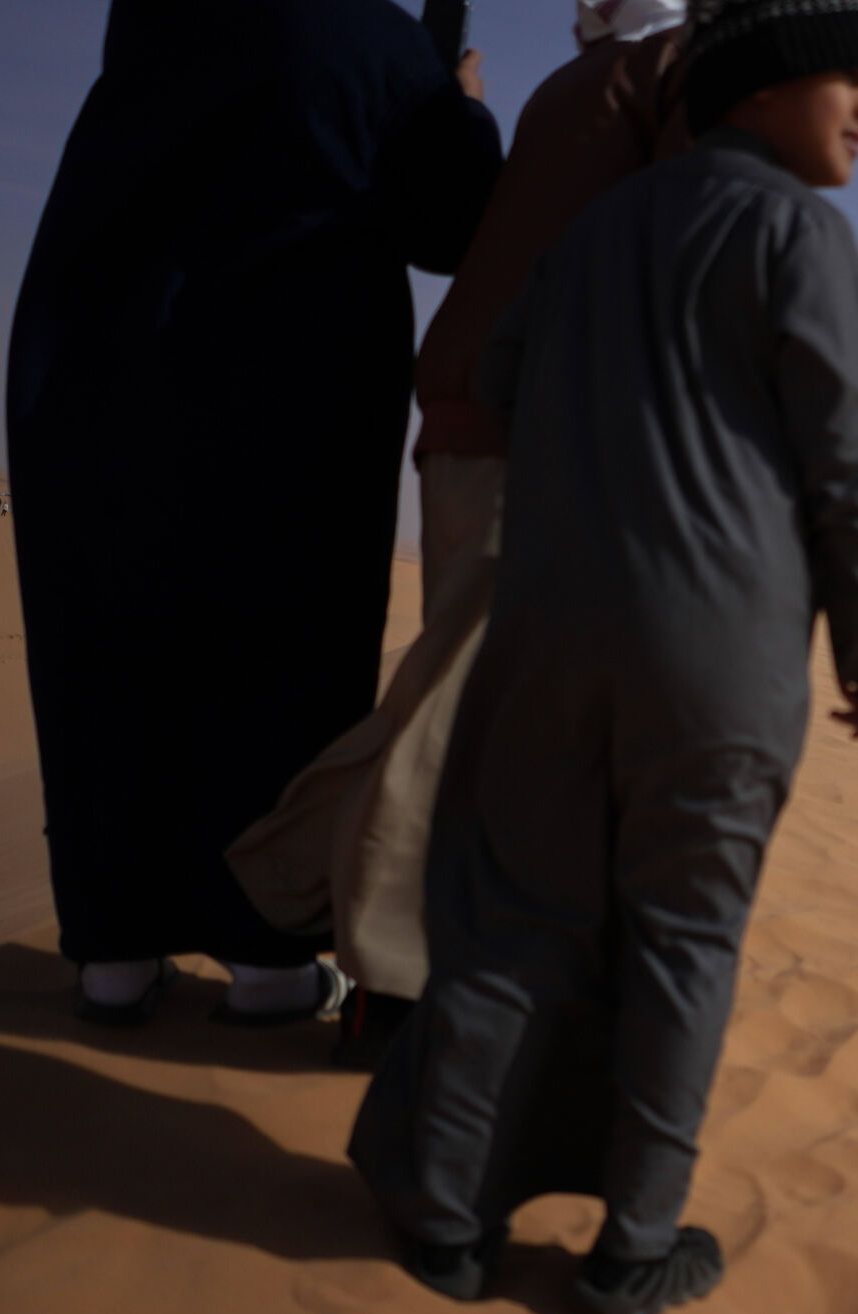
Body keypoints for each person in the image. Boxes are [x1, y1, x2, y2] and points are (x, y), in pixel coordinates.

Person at [348, 0, 858, 1314]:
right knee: (686, 941)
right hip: (719, 658)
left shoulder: (595, 229)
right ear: (755, 90)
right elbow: (849, 454)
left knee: (508, 920)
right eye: (851, 76)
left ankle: (445, 1219)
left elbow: (502, 357)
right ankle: (632, 1245)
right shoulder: (802, 232)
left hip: (550, 633)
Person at [5, 0, 502, 1026]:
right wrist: (458, 109)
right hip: (286, 407)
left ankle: (113, 949)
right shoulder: (361, 38)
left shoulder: (153, 20)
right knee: (280, 660)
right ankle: (267, 963)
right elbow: (449, 220)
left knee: (104, 654)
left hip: (99, 386)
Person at [228, 0, 692, 1071]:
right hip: (550, 426)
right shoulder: (680, 72)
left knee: (463, 689)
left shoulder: (574, 85)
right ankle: (370, 961)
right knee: (471, 711)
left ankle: (325, 907)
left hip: (468, 415)